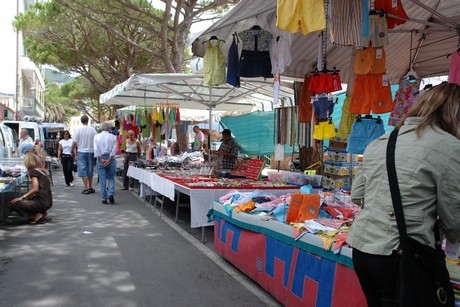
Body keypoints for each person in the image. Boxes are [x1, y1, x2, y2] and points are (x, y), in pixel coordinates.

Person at [348, 83, 460, 306]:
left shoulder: (381, 141)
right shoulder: (449, 146)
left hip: (362, 250)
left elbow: (357, 195)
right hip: (400, 255)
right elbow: (454, 220)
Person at [9, 154, 52, 224]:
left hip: (41, 202)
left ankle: (35, 215)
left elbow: (35, 189)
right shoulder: (43, 171)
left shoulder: (34, 172)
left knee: (13, 204)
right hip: (48, 201)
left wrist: (22, 197)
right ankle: (40, 212)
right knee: (27, 199)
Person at [72, 115, 97, 194]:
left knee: (83, 169)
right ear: (88, 120)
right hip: (91, 151)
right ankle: (90, 187)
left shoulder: (78, 130)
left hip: (81, 152)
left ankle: (85, 187)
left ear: (81, 121)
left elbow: (75, 142)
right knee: (90, 169)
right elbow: (96, 141)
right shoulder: (93, 130)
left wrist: (72, 150)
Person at [94, 122, 117, 204]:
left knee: (102, 179)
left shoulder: (96, 137)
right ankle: (110, 193)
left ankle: (103, 198)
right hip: (111, 158)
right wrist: (109, 159)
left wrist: (101, 159)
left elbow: (96, 149)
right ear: (109, 129)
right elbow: (114, 150)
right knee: (111, 177)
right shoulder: (113, 137)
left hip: (101, 158)